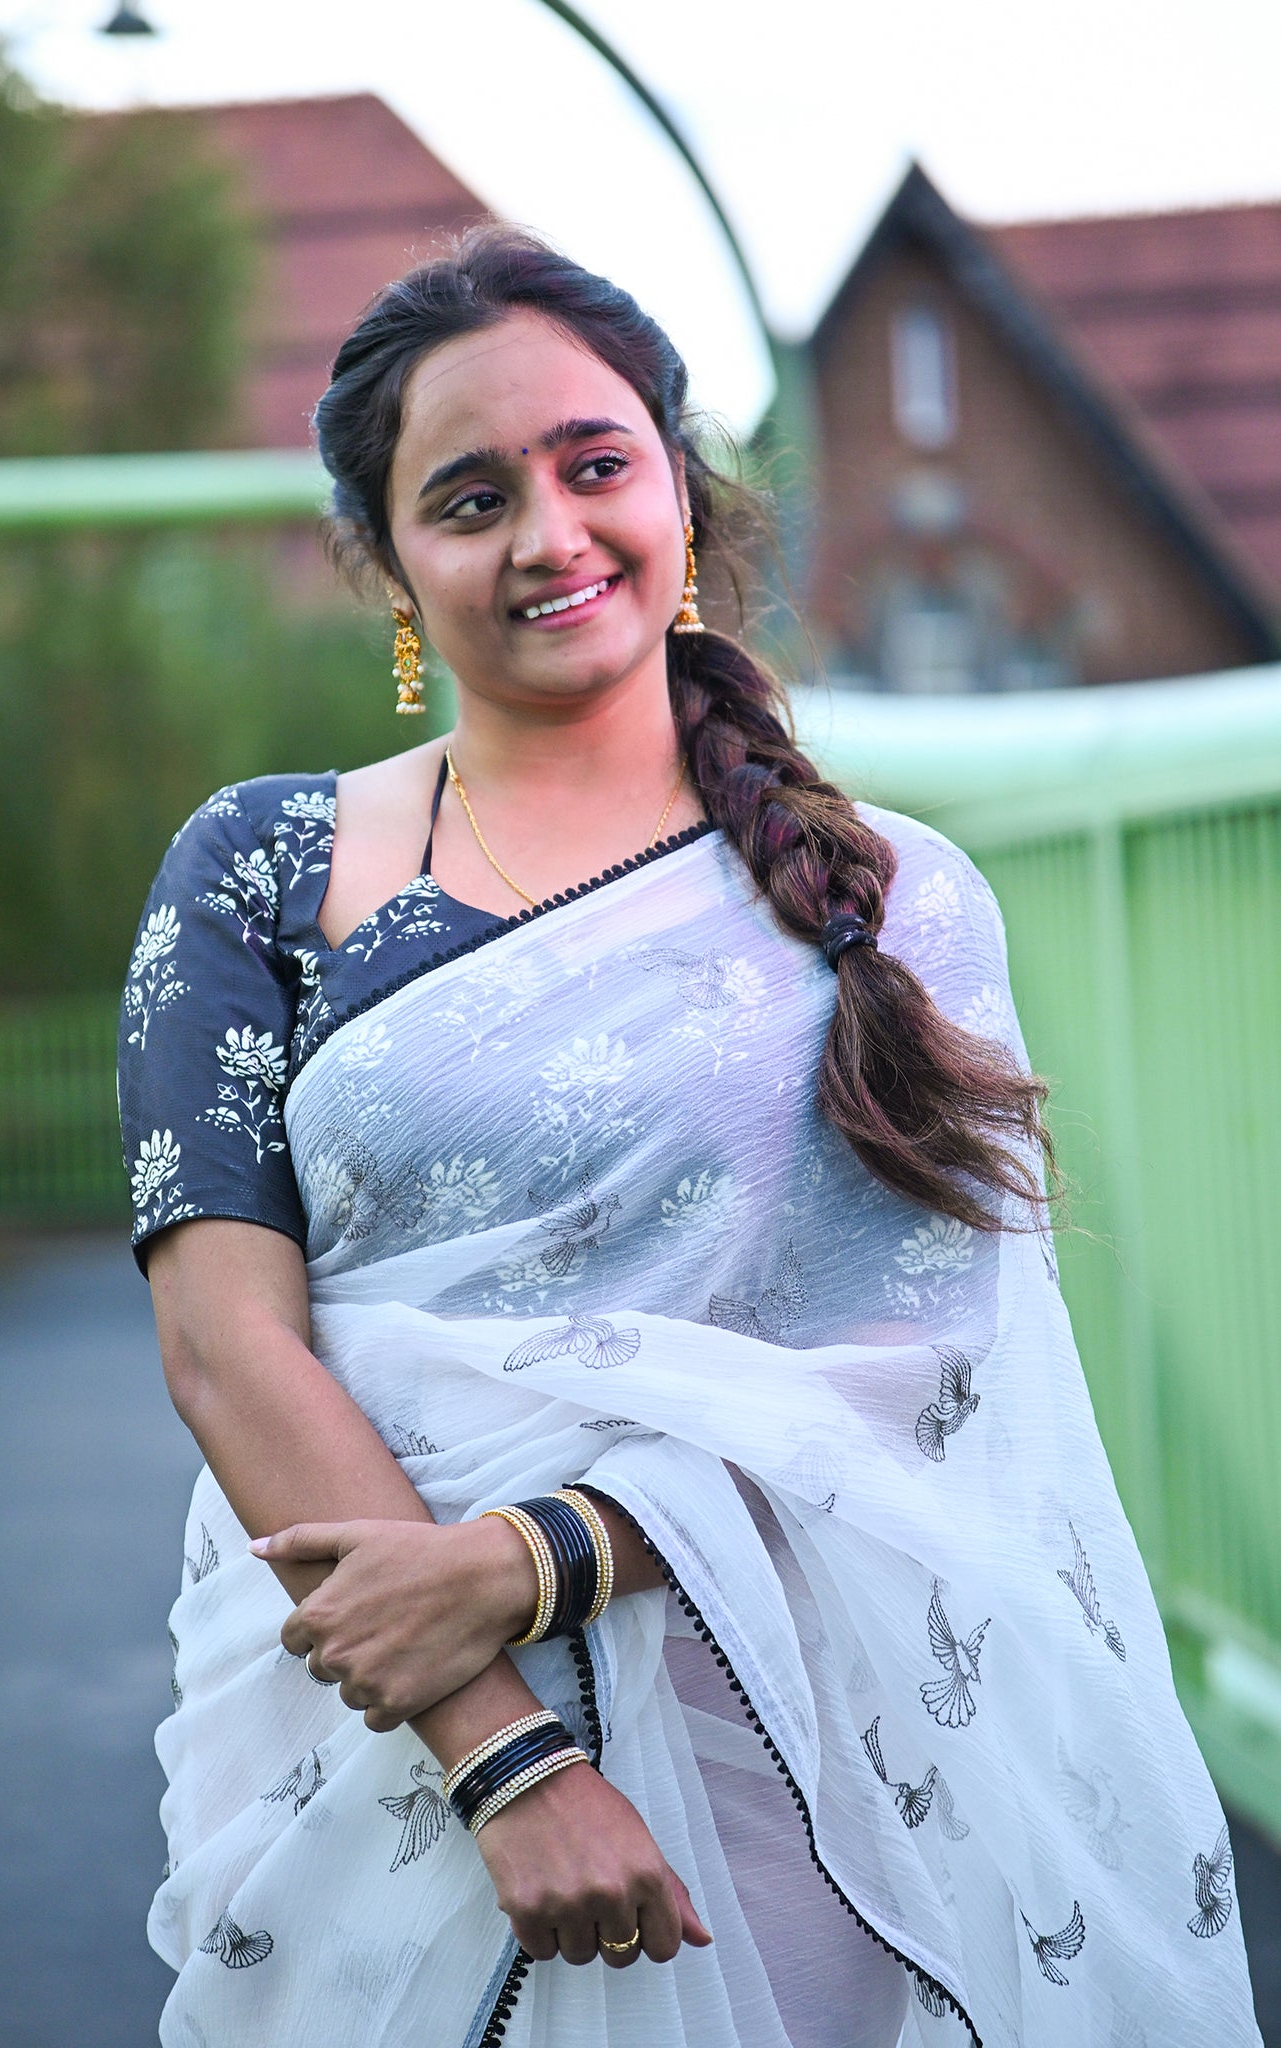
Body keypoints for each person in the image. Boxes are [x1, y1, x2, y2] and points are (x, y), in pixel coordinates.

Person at [118, 229, 1262, 2048]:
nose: (549, 536)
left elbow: (924, 1370)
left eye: (595, 466)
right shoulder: (267, 870)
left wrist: (534, 1553)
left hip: (789, 1698)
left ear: (680, 488)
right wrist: (499, 1750)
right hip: (392, 1718)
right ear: (390, 566)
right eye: (470, 496)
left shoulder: (886, 895)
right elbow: (220, 1334)